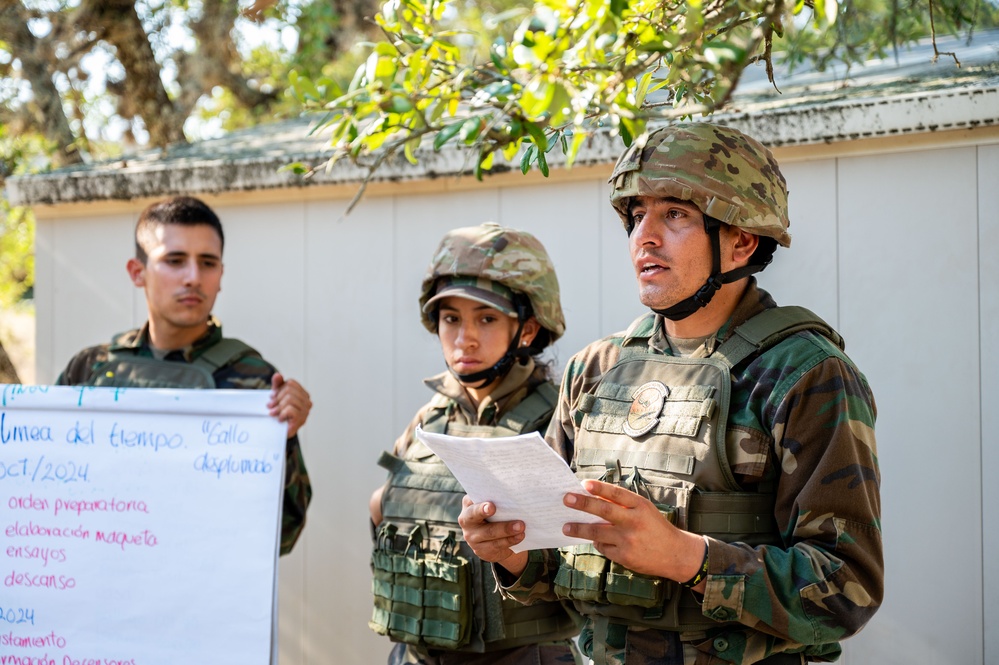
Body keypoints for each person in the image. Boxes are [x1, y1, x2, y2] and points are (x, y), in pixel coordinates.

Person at [458, 123, 883, 664]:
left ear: (741, 241)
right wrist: (510, 551)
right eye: (637, 216)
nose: (644, 236)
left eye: (675, 214)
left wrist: (689, 557)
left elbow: (848, 589)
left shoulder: (805, 374)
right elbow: (559, 564)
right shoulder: (597, 368)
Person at [368, 222, 581, 665]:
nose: (464, 337)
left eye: (486, 318)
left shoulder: (558, 421)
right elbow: (383, 511)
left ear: (526, 330)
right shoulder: (432, 417)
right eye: (451, 319)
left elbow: (587, 560)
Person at [56, 195, 312, 555]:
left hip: (202, 597)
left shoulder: (254, 379)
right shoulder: (89, 369)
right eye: (174, 261)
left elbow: (283, 535)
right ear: (137, 271)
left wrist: (283, 439)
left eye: (207, 263)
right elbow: (51, 501)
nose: (193, 277)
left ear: (220, 275)